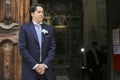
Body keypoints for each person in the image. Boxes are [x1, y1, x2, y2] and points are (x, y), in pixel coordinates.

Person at [19, 3, 56, 80]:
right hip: (30, 71)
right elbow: (23, 49)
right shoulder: (25, 28)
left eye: (42, 12)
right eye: (39, 12)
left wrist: (44, 65)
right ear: (32, 13)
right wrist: (36, 66)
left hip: (46, 71)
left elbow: (52, 48)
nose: (41, 14)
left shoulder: (49, 29)